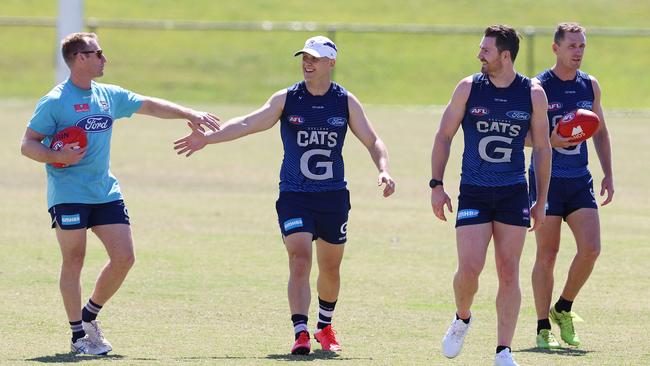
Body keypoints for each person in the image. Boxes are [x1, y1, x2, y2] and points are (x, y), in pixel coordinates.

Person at [174, 35, 395, 355]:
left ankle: (325, 327)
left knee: (330, 268)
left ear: (331, 63)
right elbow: (249, 122)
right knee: (300, 258)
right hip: (295, 195)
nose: (308, 62)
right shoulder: (287, 98)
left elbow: (374, 140)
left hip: (333, 196)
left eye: (315, 58)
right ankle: (301, 331)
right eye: (305, 57)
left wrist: (383, 169)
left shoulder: (344, 101)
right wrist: (209, 137)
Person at [20, 32, 220, 355]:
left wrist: (190, 113)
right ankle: (77, 338)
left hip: (104, 191)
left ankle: (89, 317)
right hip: (68, 192)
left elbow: (149, 105)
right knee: (74, 259)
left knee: (124, 257)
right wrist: (57, 156)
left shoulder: (108, 96)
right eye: (98, 53)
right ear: (80, 59)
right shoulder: (56, 101)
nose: (104, 58)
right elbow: (27, 144)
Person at [430, 25, 551, 366]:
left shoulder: (533, 93)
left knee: (508, 270)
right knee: (469, 269)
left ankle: (503, 350)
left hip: (513, 193)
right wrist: (436, 185)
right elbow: (443, 136)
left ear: (505, 55)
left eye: (485, 49)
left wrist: (540, 200)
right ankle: (462, 318)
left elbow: (542, 148)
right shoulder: (469, 88)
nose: (479, 54)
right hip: (474, 191)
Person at [528, 23, 614, 349]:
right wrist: (548, 139)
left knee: (591, 248)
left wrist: (608, 173)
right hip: (546, 183)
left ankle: (563, 307)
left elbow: (601, 132)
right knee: (547, 255)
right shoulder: (537, 87)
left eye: (582, 46)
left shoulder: (590, 85)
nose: (578, 52)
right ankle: (541, 328)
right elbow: (523, 135)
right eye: (572, 46)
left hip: (579, 181)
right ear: (556, 48)